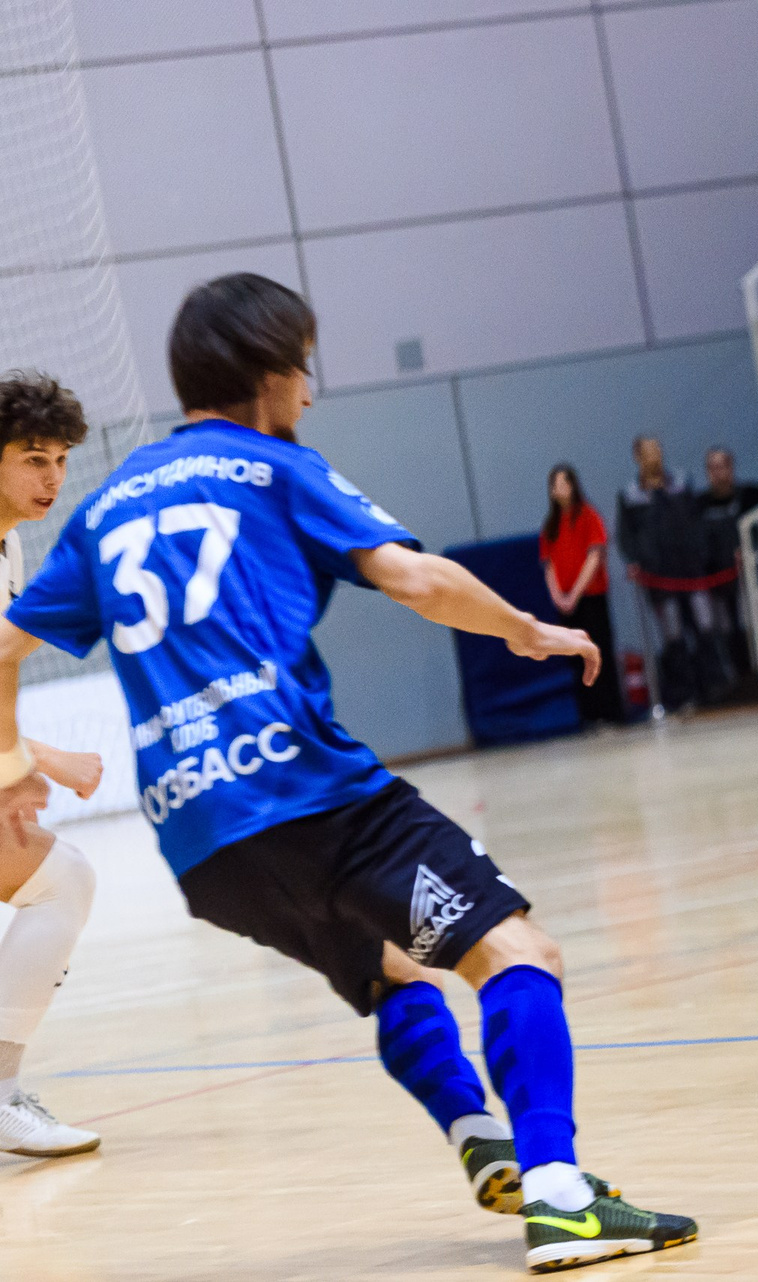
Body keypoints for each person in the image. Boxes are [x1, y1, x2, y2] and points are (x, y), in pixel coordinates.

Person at [0, 274, 694, 1271]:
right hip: (308, 790)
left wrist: (8, 761)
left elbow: (2, 647)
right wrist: (526, 628)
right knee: (518, 953)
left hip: (203, 847)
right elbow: (413, 577)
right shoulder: (274, 465)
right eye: (302, 366)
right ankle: (560, 1194)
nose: (310, 390)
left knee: (391, 970)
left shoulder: (105, 503)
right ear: (266, 374)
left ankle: (478, 1135)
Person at [0, 372, 108, 1159]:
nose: (53, 478)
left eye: (61, 460)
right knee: (62, 881)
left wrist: (14, 761)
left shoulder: (8, 541)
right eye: (34, 458)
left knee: (60, 878)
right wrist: (36, 760)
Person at [616, 437, 713, 710]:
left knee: (705, 628)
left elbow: (697, 521)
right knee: (674, 635)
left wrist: (702, 554)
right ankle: (684, 694)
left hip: (692, 571)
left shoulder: (680, 483)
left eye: (658, 450)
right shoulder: (630, 496)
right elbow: (626, 537)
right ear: (638, 457)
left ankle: (713, 687)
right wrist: (637, 560)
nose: (655, 456)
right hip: (660, 577)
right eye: (649, 452)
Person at [539, 464, 624, 727]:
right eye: (555, 485)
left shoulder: (588, 515)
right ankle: (589, 715)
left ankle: (611, 713)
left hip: (591, 598)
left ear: (573, 486)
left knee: (599, 653)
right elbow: (548, 565)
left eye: (564, 483)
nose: (559, 489)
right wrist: (558, 597)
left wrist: (575, 593)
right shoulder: (550, 526)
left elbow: (594, 556)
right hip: (566, 603)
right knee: (574, 659)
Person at [694, 446, 758, 695]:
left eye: (722, 466)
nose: (718, 473)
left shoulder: (749, 494)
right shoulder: (700, 504)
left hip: (746, 578)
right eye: (712, 468)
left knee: (750, 626)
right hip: (716, 582)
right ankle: (735, 682)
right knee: (725, 632)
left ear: (731, 467)